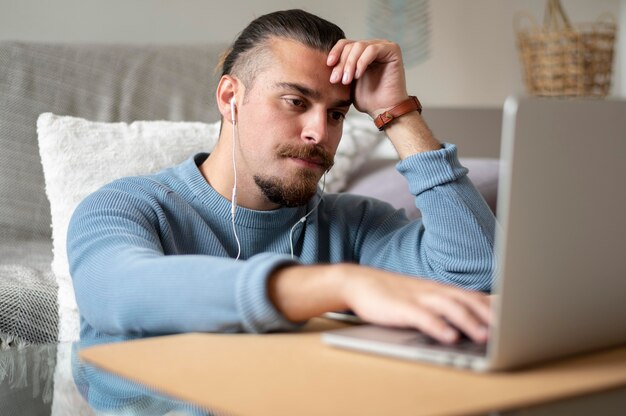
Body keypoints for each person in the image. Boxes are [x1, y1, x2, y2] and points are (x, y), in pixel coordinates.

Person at [67, 9, 496, 346]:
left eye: (336, 114)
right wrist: (341, 284)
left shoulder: (355, 226)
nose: (319, 132)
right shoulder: (125, 206)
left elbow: (476, 272)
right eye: (295, 101)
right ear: (230, 97)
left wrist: (397, 112)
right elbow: (117, 291)